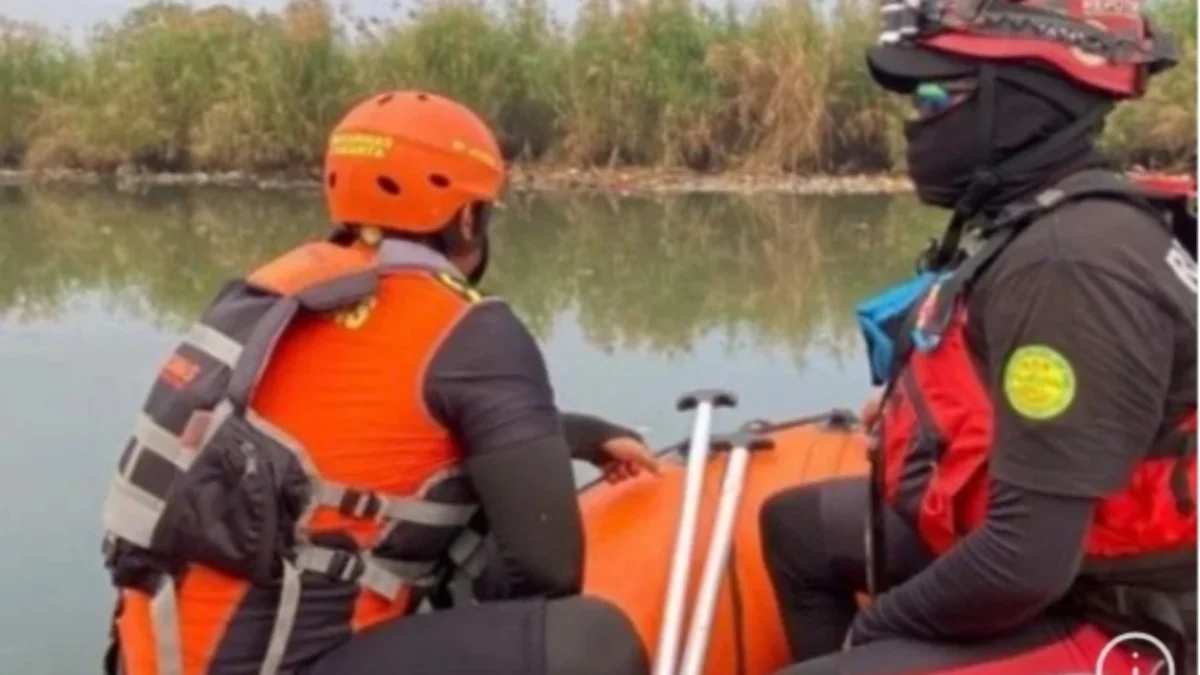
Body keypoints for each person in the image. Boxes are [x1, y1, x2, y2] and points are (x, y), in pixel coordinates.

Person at [98, 90, 657, 675]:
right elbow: (550, 570)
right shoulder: (471, 327)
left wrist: (579, 434)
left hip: (153, 654)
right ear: (469, 216)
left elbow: (348, 442)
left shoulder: (274, 293)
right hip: (287, 663)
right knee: (592, 640)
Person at [758, 1, 1197, 674]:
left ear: (1020, 103)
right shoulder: (1059, 218)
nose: (916, 121)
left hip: (1117, 610)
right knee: (798, 530)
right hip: (1067, 549)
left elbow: (1026, 562)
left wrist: (877, 626)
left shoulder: (1069, 263)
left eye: (936, 95)